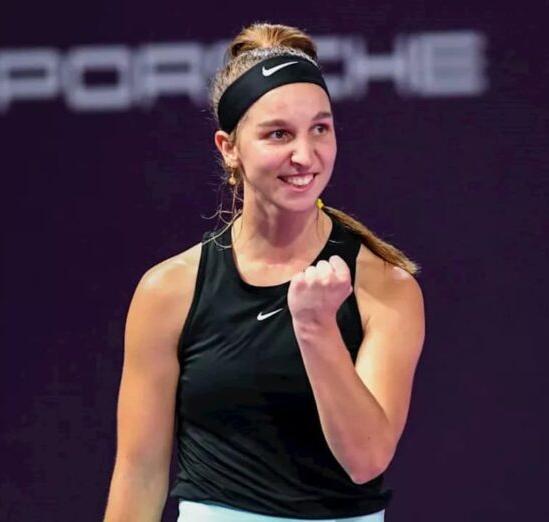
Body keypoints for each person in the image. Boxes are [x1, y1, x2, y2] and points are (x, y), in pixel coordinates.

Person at [103, 22, 425, 522]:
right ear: (229, 147)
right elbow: (139, 473)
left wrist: (316, 328)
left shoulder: (385, 286)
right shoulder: (167, 291)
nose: (305, 155)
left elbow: (366, 460)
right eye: (279, 134)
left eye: (320, 128)